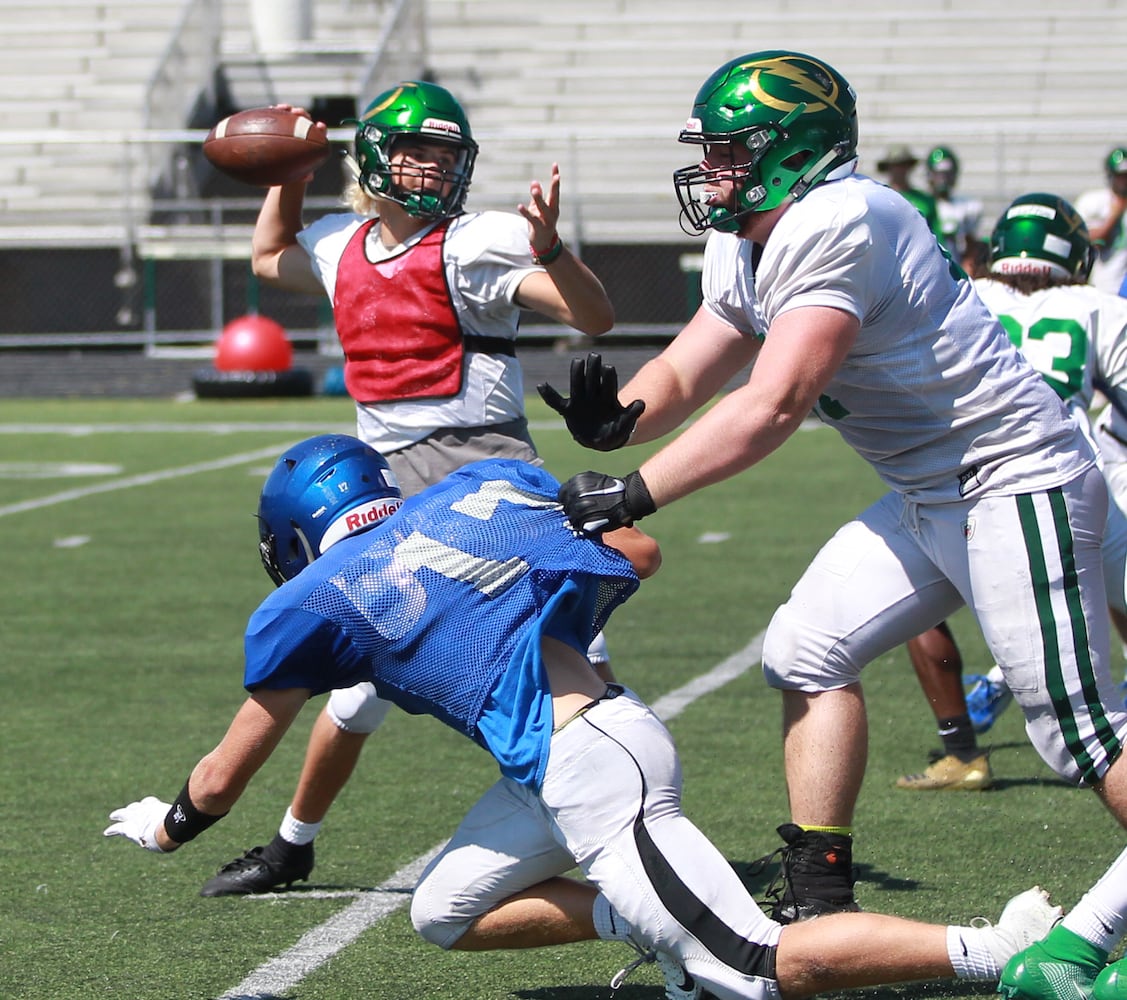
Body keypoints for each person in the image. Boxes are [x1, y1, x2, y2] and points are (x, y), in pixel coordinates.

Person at [105, 433, 1064, 1000]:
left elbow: (225, 778)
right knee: (442, 913)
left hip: (593, 765)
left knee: (762, 966)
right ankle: (645, 928)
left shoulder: (305, 599)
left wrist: (168, 823)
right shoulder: (474, 486)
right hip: (557, 756)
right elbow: (638, 553)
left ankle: (992, 949)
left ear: (296, 534)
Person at [538, 48, 1127, 935]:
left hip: (1011, 480)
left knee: (1078, 728)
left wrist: (632, 493)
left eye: (732, 151)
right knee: (805, 649)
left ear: (793, 150)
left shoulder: (843, 218)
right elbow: (691, 363)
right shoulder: (747, 241)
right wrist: (620, 417)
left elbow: (772, 404)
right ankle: (819, 894)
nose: (712, 170)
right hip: (929, 493)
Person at [201, 80, 618, 896]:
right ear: (374, 162)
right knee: (357, 688)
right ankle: (292, 846)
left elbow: (592, 316)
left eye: (444, 155)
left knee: (579, 668)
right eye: (414, 152)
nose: (431, 169)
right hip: (392, 486)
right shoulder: (340, 242)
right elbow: (266, 256)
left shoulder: (475, 243)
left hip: (488, 479)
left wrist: (553, 250)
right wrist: (289, 171)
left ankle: (623, 829)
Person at [898, 193, 1127, 792]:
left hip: (956, 477)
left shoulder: (962, 292)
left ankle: (961, 753)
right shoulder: (1096, 306)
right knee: (1101, 596)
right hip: (1069, 481)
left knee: (915, 602)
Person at [925, 145, 983, 275]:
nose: (943, 179)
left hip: (957, 270)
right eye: (938, 174)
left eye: (947, 174)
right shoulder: (921, 204)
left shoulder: (967, 206)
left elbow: (971, 247)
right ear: (930, 175)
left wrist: (966, 271)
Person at [1076, 147, 1127, 295]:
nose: (1124, 182)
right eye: (1120, 176)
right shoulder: (1094, 202)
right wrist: (1113, 217)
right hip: (1102, 286)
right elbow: (1086, 238)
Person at [875, 142, 941, 238]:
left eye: (904, 164)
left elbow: (937, 237)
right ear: (888, 167)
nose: (900, 169)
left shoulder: (926, 201)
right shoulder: (878, 200)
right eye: (896, 165)